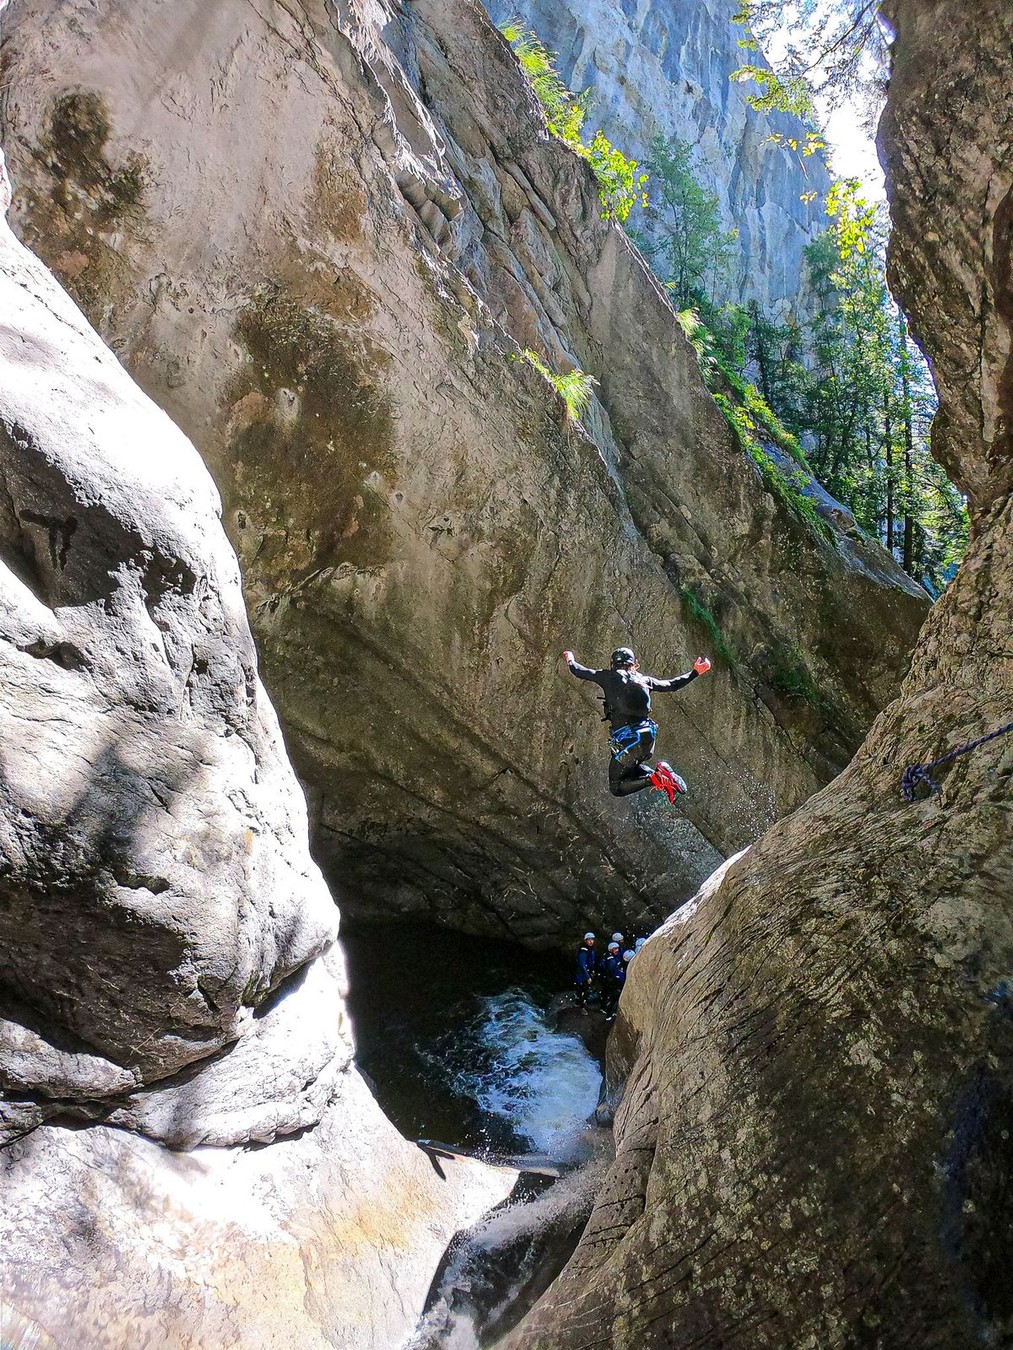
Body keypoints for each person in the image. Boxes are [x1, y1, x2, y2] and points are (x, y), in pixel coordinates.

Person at [562, 646, 711, 801]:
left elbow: (578, 671)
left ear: (613, 664)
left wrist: (570, 659)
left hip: (630, 741)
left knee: (617, 787)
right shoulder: (645, 680)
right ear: (633, 664)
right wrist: (695, 672)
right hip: (647, 740)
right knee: (632, 771)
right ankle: (661, 775)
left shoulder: (608, 677)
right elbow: (671, 684)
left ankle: (657, 778)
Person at [600, 941, 624, 1020]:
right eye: (615, 949)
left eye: (617, 948)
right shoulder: (611, 959)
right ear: (610, 950)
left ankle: (603, 1008)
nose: (617, 950)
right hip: (609, 980)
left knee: (605, 994)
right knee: (613, 996)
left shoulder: (606, 956)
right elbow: (612, 970)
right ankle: (609, 1014)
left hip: (605, 978)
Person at [574, 932, 597, 1005]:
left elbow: (591, 961)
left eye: (592, 939)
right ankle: (581, 1006)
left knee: (585, 989)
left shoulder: (591, 949)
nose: (591, 941)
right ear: (585, 941)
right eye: (589, 940)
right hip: (581, 973)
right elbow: (582, 964)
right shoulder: (583, 951)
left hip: (587, 971)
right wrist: (587, 977)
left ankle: (579, 1001)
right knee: (583, 989)